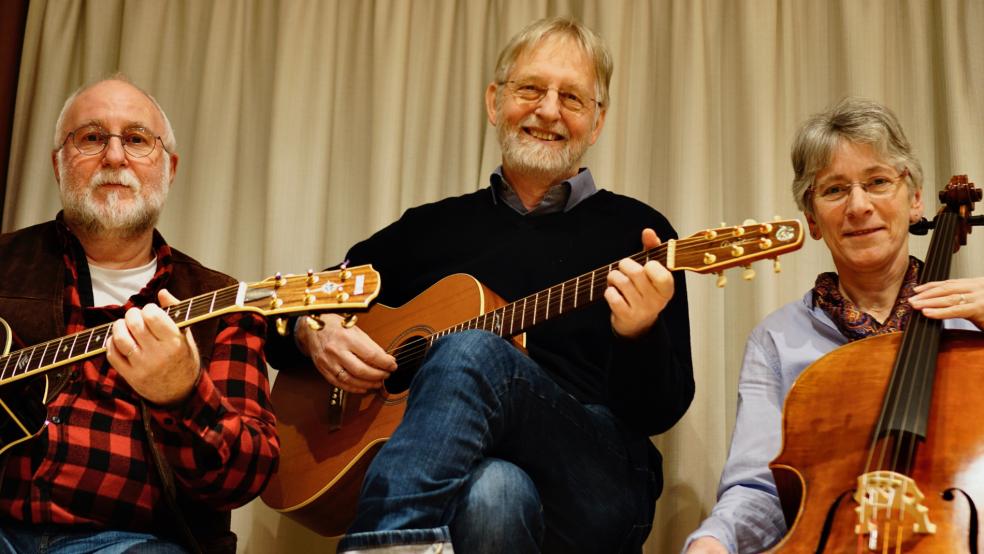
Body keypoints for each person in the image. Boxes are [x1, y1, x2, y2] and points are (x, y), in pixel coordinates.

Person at [273, 16, 694, 553]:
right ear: (495, 101)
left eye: (572, 98)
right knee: (492, 492)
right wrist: (315, 330)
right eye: (530, 89)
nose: (547, 111)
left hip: (597, 478)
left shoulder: (640, 234)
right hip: (474, 483)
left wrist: (641, 335)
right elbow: (277, 310)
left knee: (473, 348)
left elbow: (661, 411)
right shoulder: (427, 229)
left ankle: (380, 542)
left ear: (598, 120)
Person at [683, 97, 984, 554]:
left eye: (878, 182)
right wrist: (712, 542)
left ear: (916, 199)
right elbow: (759, 491)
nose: (858, 206)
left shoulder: (972, 321)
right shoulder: (777, 341)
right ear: (812, 220)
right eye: (834, 190)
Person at [0, 76, 279, 553]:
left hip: (132, 542)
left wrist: (185, 396)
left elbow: (246, 476)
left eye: (135, 139)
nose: (114, 157)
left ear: (169, 168)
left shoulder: (223, 302)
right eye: (90, 138)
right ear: (57, 164)